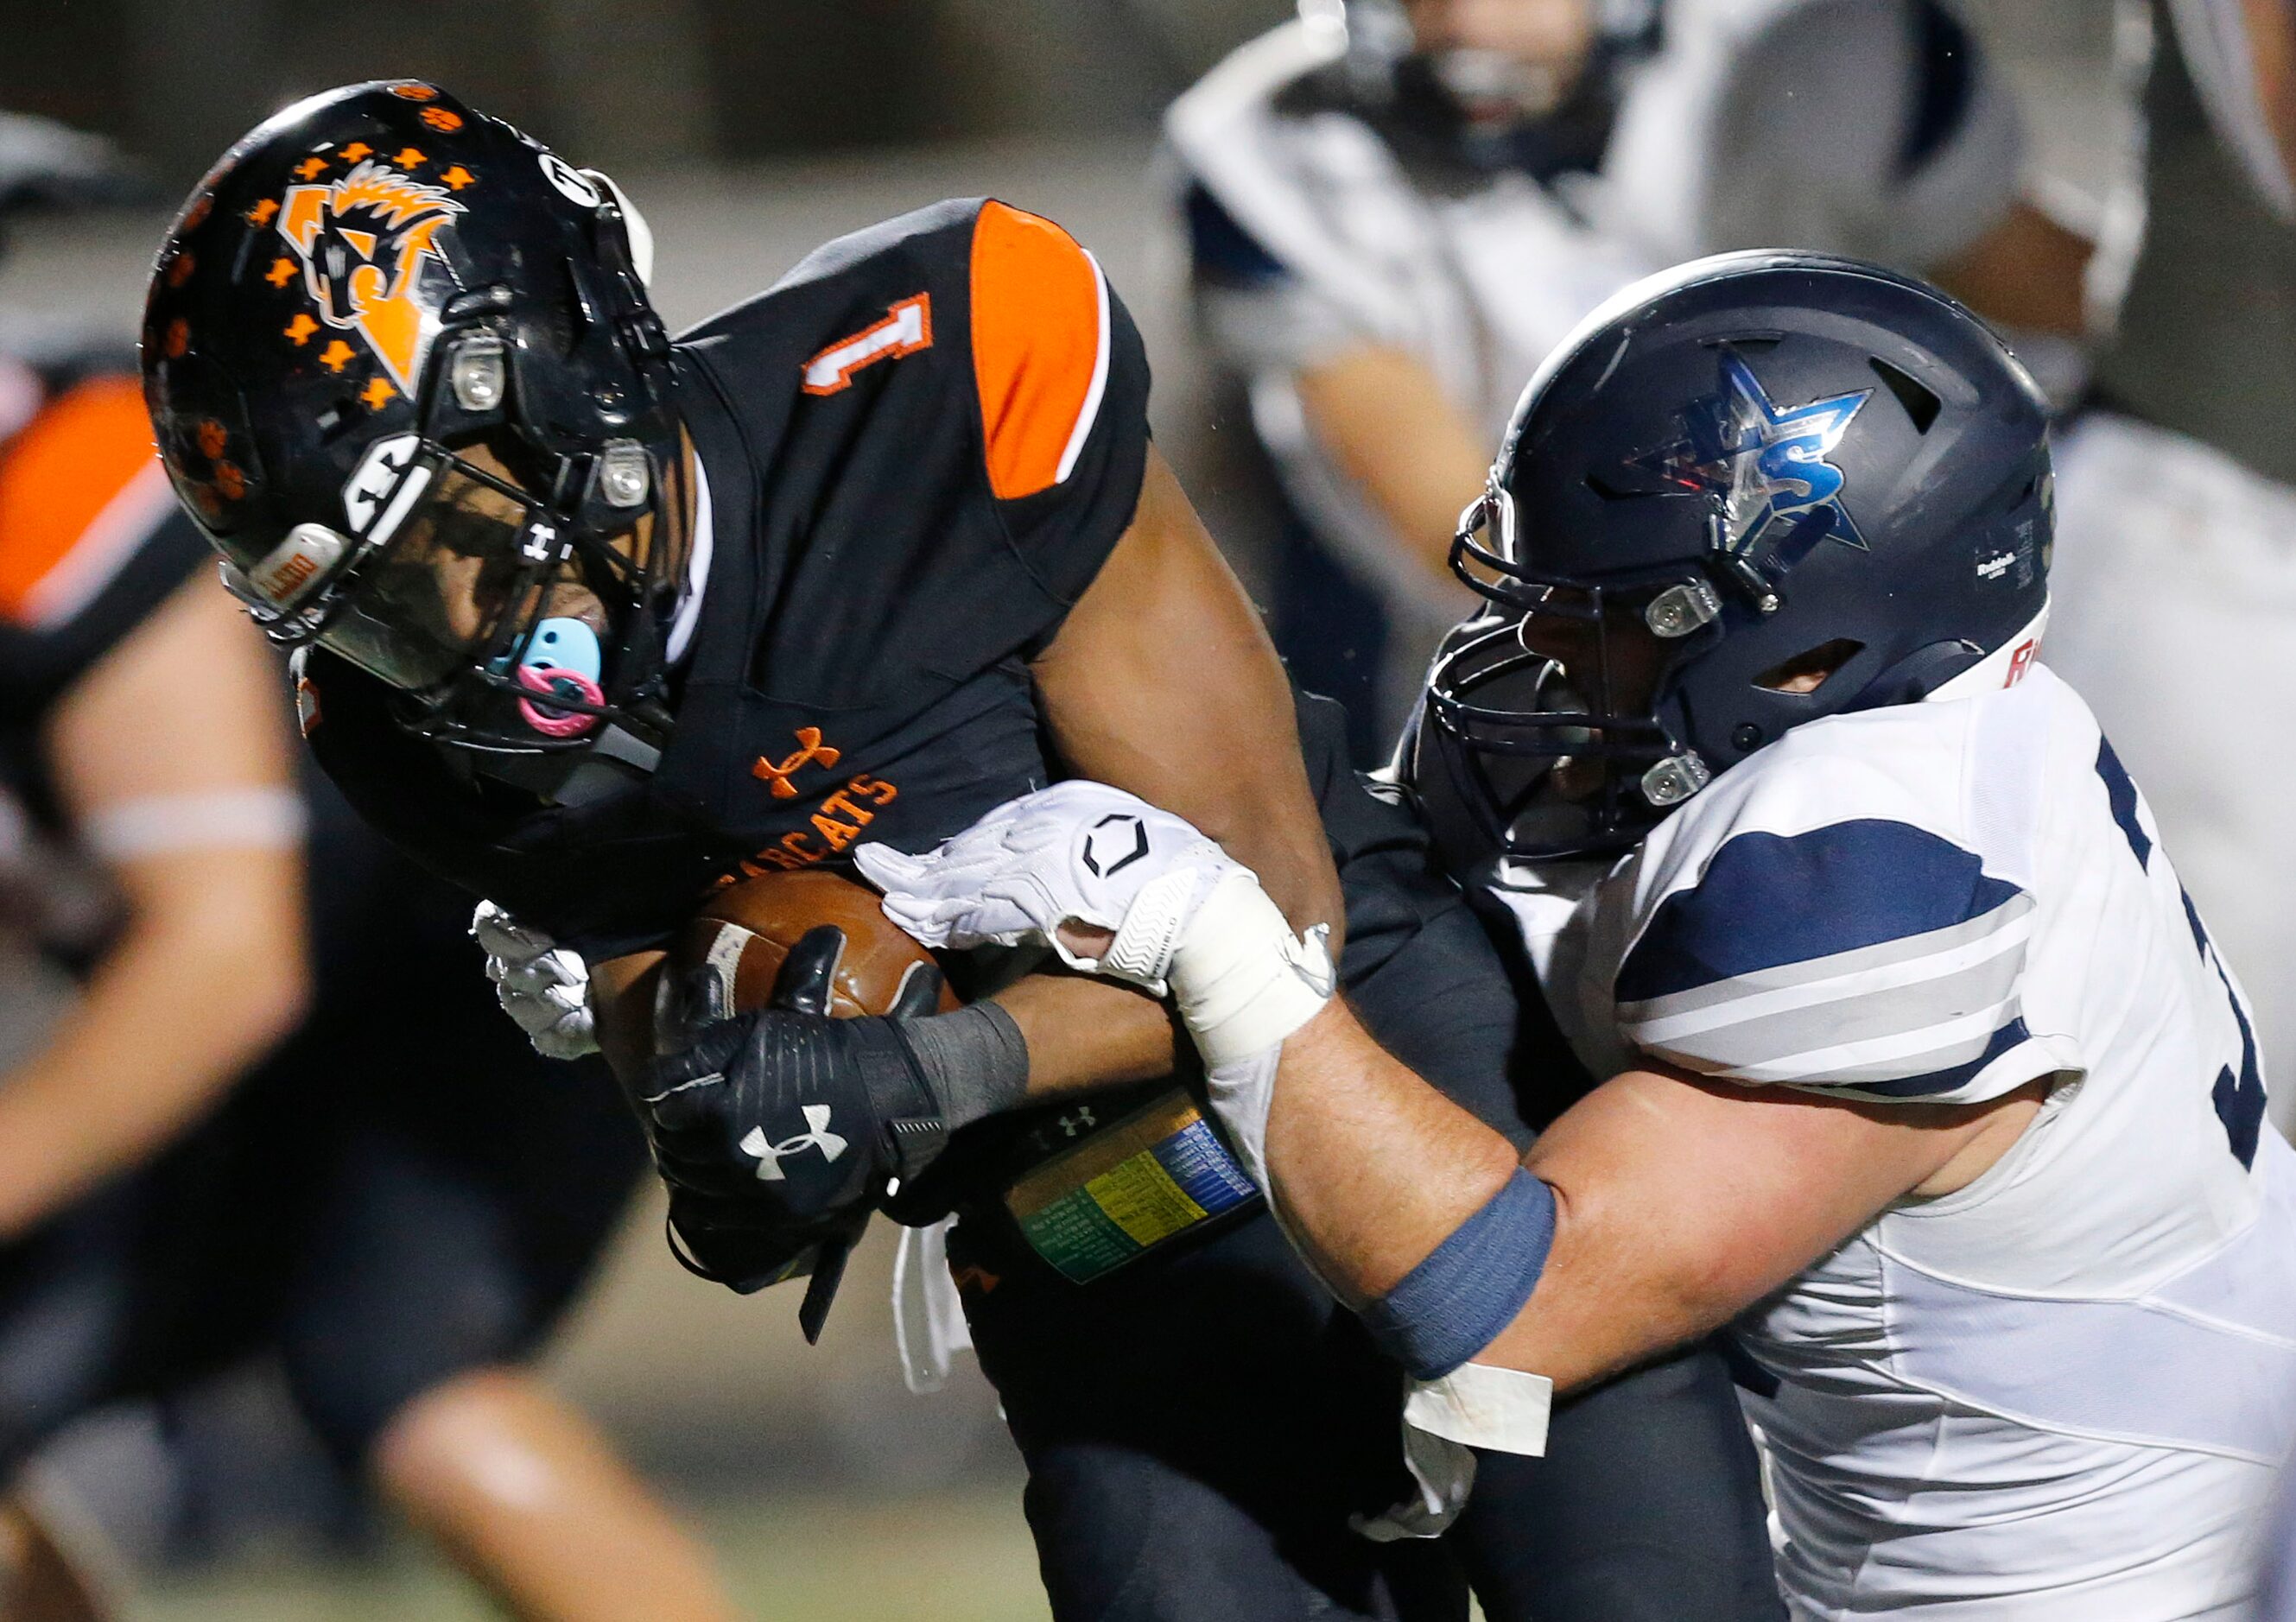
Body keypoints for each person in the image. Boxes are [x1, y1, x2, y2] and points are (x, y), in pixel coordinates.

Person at [142, 81, 1779, 1620]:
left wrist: (924, 1070)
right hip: (1074, 1204)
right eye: (358, 601)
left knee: (1638, 1585)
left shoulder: (932, 383)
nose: (434, 633)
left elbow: (1275, 908)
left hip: (1377, 1055)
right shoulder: (395, 723)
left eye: (444, 540)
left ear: (560, 381)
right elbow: (685, 1029)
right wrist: (735, 1127)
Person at [847, 254, 2295, 1619]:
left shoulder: (1865, 874)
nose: (1536, 651)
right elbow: (1447, 1094)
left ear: (1803, 649)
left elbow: (1517, 1304)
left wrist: (1201, 937)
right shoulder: (1903, 756)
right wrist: (1085, 1182)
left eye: (1605, 614)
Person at [0, 118, 734, 1621]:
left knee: (404, 1375)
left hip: (454, 954)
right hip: (266, 1015)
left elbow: (223, 958)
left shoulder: (56, 487)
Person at [1167, 0, 2033, 754]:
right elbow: (1462, 532)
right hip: (1547, 653)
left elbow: (2039, 296)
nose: (1468, 20)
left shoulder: (1814, 46)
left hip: (1888, 605)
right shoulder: (1269, 143)